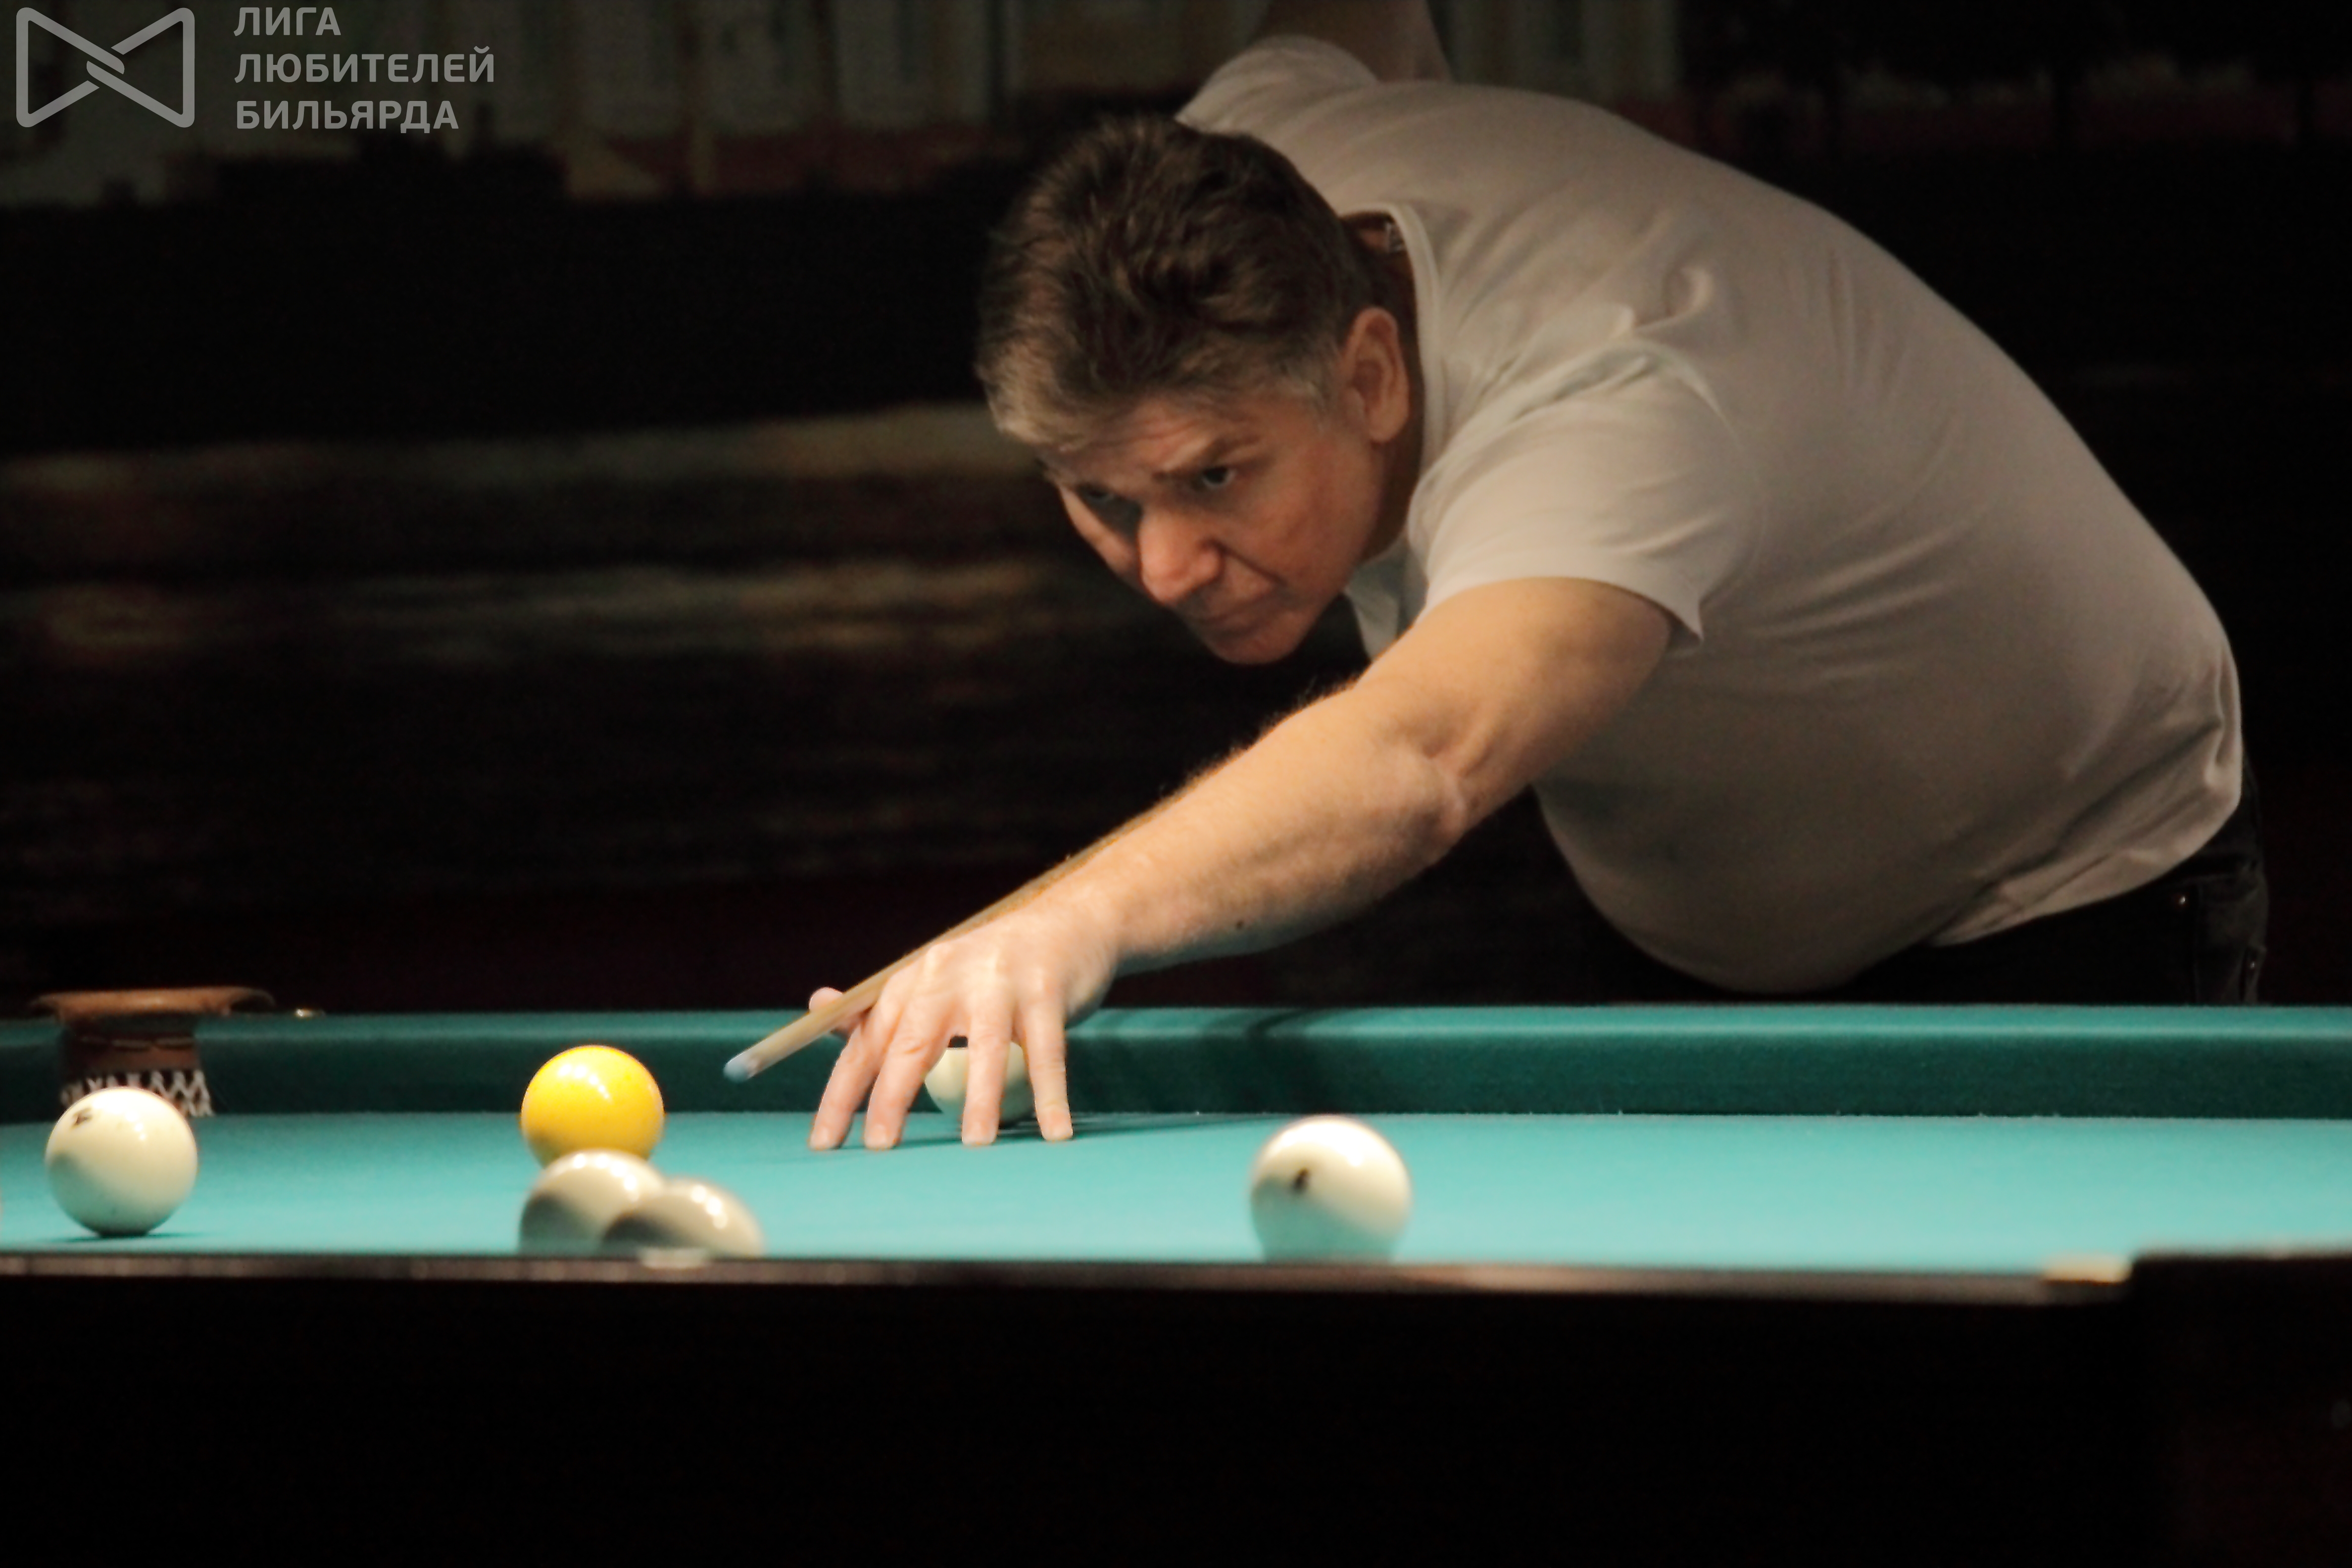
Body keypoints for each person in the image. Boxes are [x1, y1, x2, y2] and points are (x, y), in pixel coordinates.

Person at [805, 0, 2264, 1154]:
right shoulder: (1244, 168)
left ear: (1371, 373)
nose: (1165, 566)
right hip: (1708, 937)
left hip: (2063, 885)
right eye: (1102, 499)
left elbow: (1420, 760)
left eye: (1215, 478)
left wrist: (1068, 920)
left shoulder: (1619, 401)